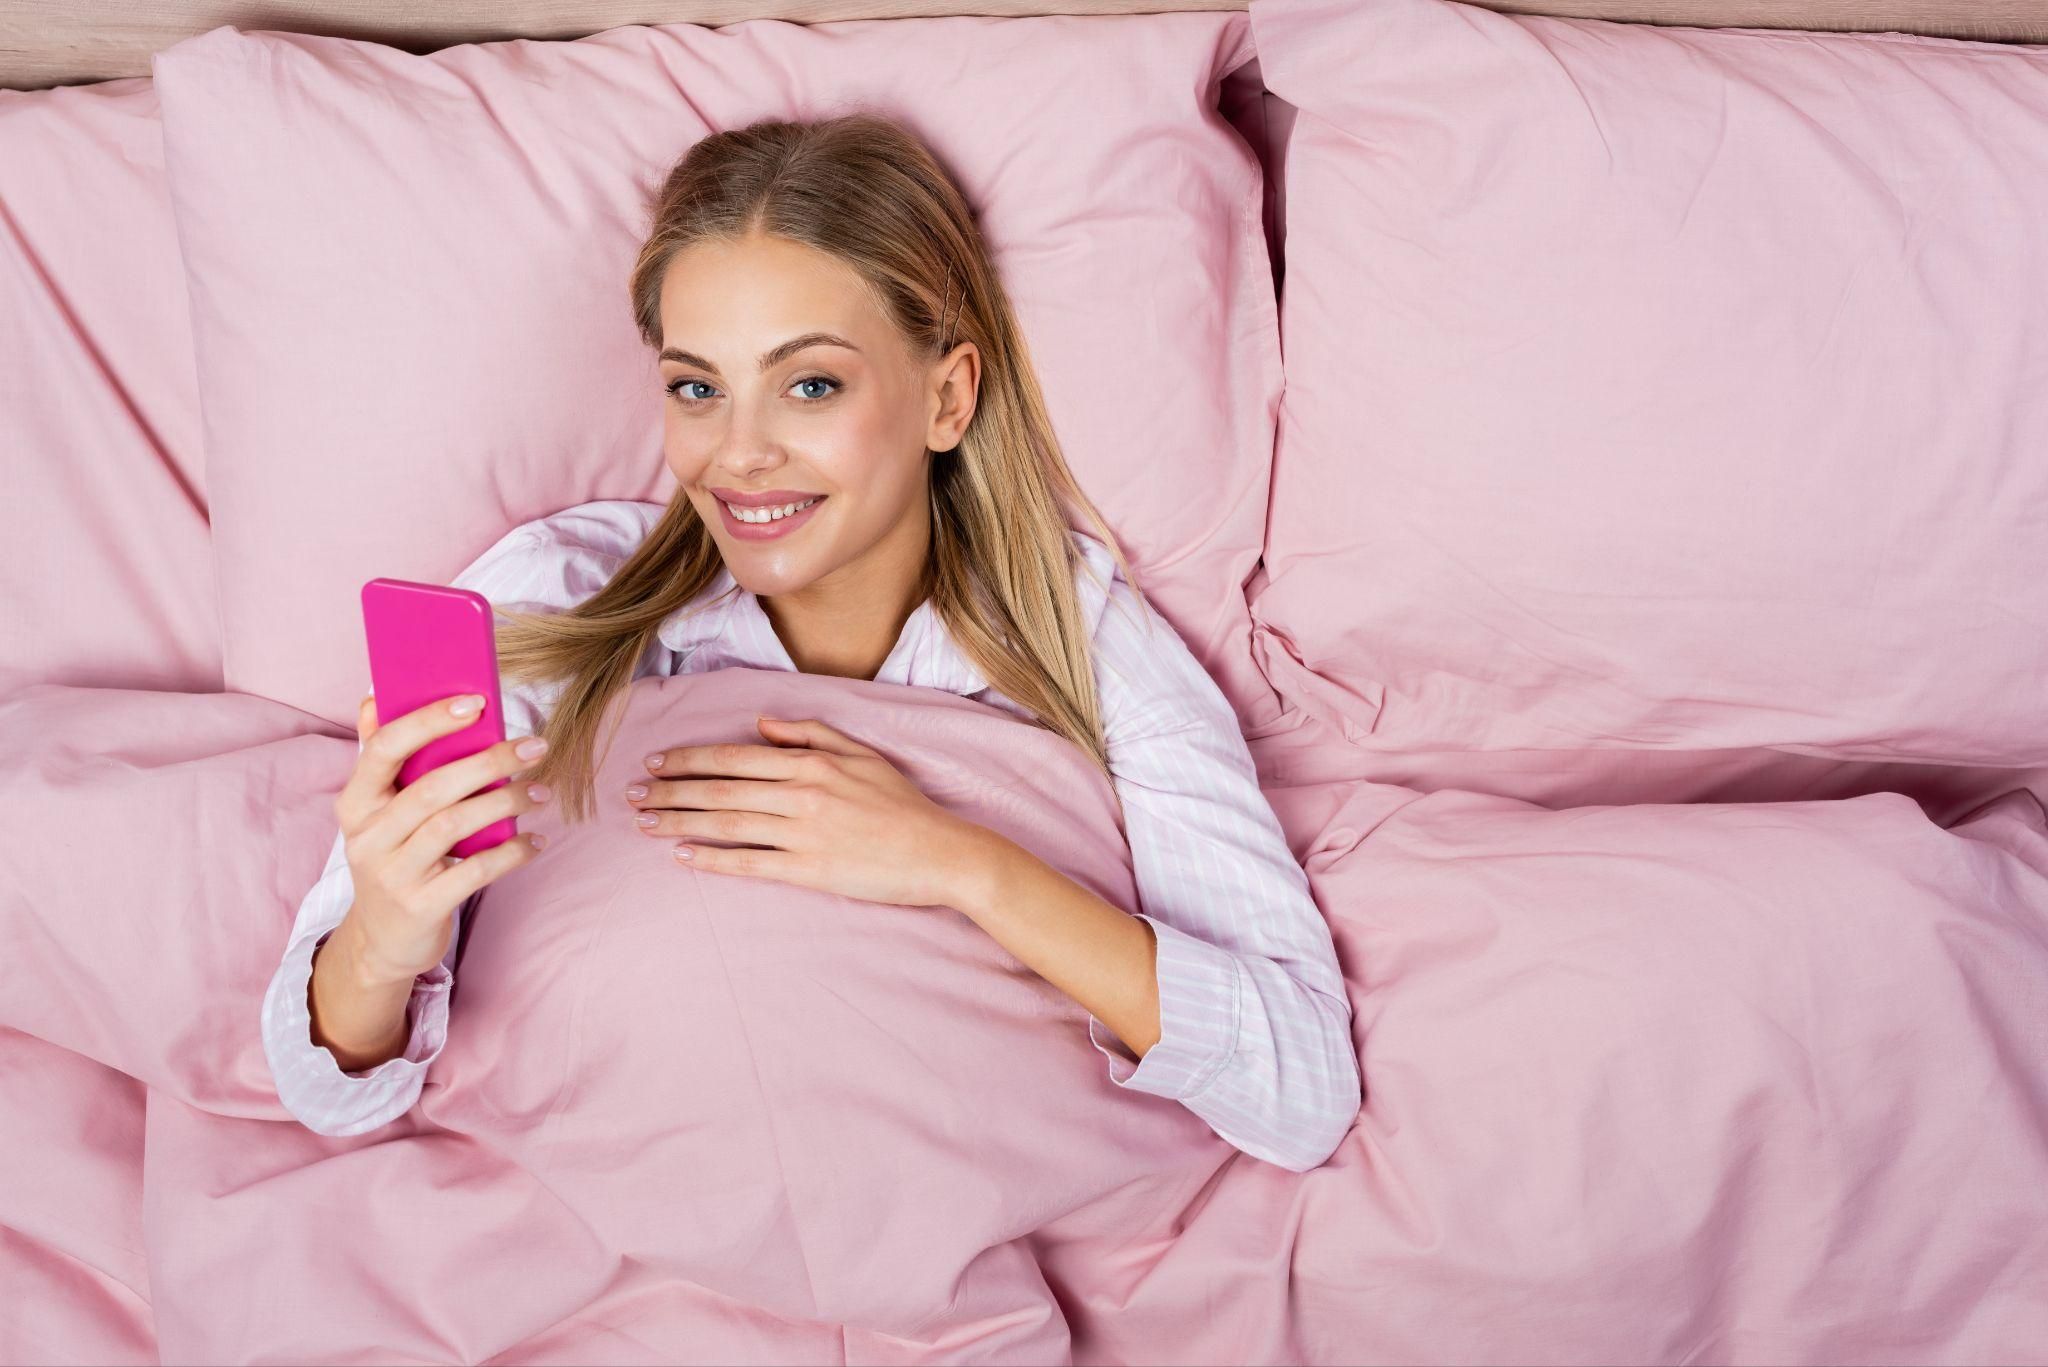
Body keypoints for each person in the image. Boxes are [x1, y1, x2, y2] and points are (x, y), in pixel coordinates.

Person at [260, 113, 1360, 1172]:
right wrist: (386, 936)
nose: (738, 454)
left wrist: (955, 862)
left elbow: (1301, 1088)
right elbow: (328, 1089)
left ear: (946, 396)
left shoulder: (1081, 640)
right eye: (697, 387)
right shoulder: (556, 598)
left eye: (810, 385)